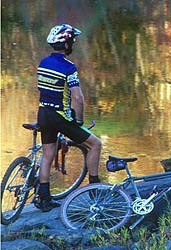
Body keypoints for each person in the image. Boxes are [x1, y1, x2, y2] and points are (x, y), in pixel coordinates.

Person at [36, 24, 103, 212]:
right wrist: (79, 120)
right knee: (95, 144)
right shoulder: (69, 68)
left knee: (48, 155)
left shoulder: (43, 63)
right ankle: (94, 189)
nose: (73, 43)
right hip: (59, 116)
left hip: (43, 113)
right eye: (72, 40)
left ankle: (44, 198)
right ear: (66, 44)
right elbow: (78, 98)